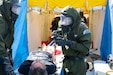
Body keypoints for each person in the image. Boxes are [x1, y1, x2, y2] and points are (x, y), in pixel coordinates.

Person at [52, 6, 92, 75]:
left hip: (78, 64)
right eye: (62, 18)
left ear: (73, 18)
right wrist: (56, 35)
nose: (64, 21)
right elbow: (59, 32)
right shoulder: (65, 26)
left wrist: (69, 43)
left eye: (67, 19)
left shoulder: (82, 28)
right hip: (66, 62)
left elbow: (85, 49)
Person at [0, 0, 21, 75]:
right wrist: (5, 59)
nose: (16, 10)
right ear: (9, 7)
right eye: (15, 7)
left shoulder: (9, 20)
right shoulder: (1, 20)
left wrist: (9, 56)